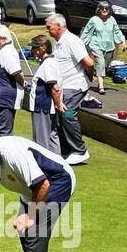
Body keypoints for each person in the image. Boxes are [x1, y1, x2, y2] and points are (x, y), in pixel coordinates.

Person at [45, 13, 94, 165]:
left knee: (68, 114)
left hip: (74, 86)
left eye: (49, 27)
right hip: (63, 87)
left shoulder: (72, 41)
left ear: (59, 26)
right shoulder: (58, 42)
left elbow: (89, 63)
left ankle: (80, 151)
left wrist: (90, 76)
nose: (47, 30)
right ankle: (66, 150)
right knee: (61, 116)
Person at [79, 1, 126, 95]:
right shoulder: (94, 20)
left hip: (109, 47)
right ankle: (101, 86)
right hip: (96, 45)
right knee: (101, 63)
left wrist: (123, 42)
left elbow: (117, 31)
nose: (104, 10)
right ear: (99, 10)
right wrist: (80, 44)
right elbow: (86, 32)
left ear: (109, 10)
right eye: (102, 8)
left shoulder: (112, 20)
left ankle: (91, 73)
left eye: (106, 9)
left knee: (105, 66)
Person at [28, 35, 62, 154]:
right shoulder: (51, 61)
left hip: (42, 107)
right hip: (47, 107)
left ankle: (42, 163)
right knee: (52, 137)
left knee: (41, 141)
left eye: (34, 47)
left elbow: (55, 87)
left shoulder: (48, 64)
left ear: (43, 48)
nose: (32, 50)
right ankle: (57, 162)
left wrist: (58, 104)